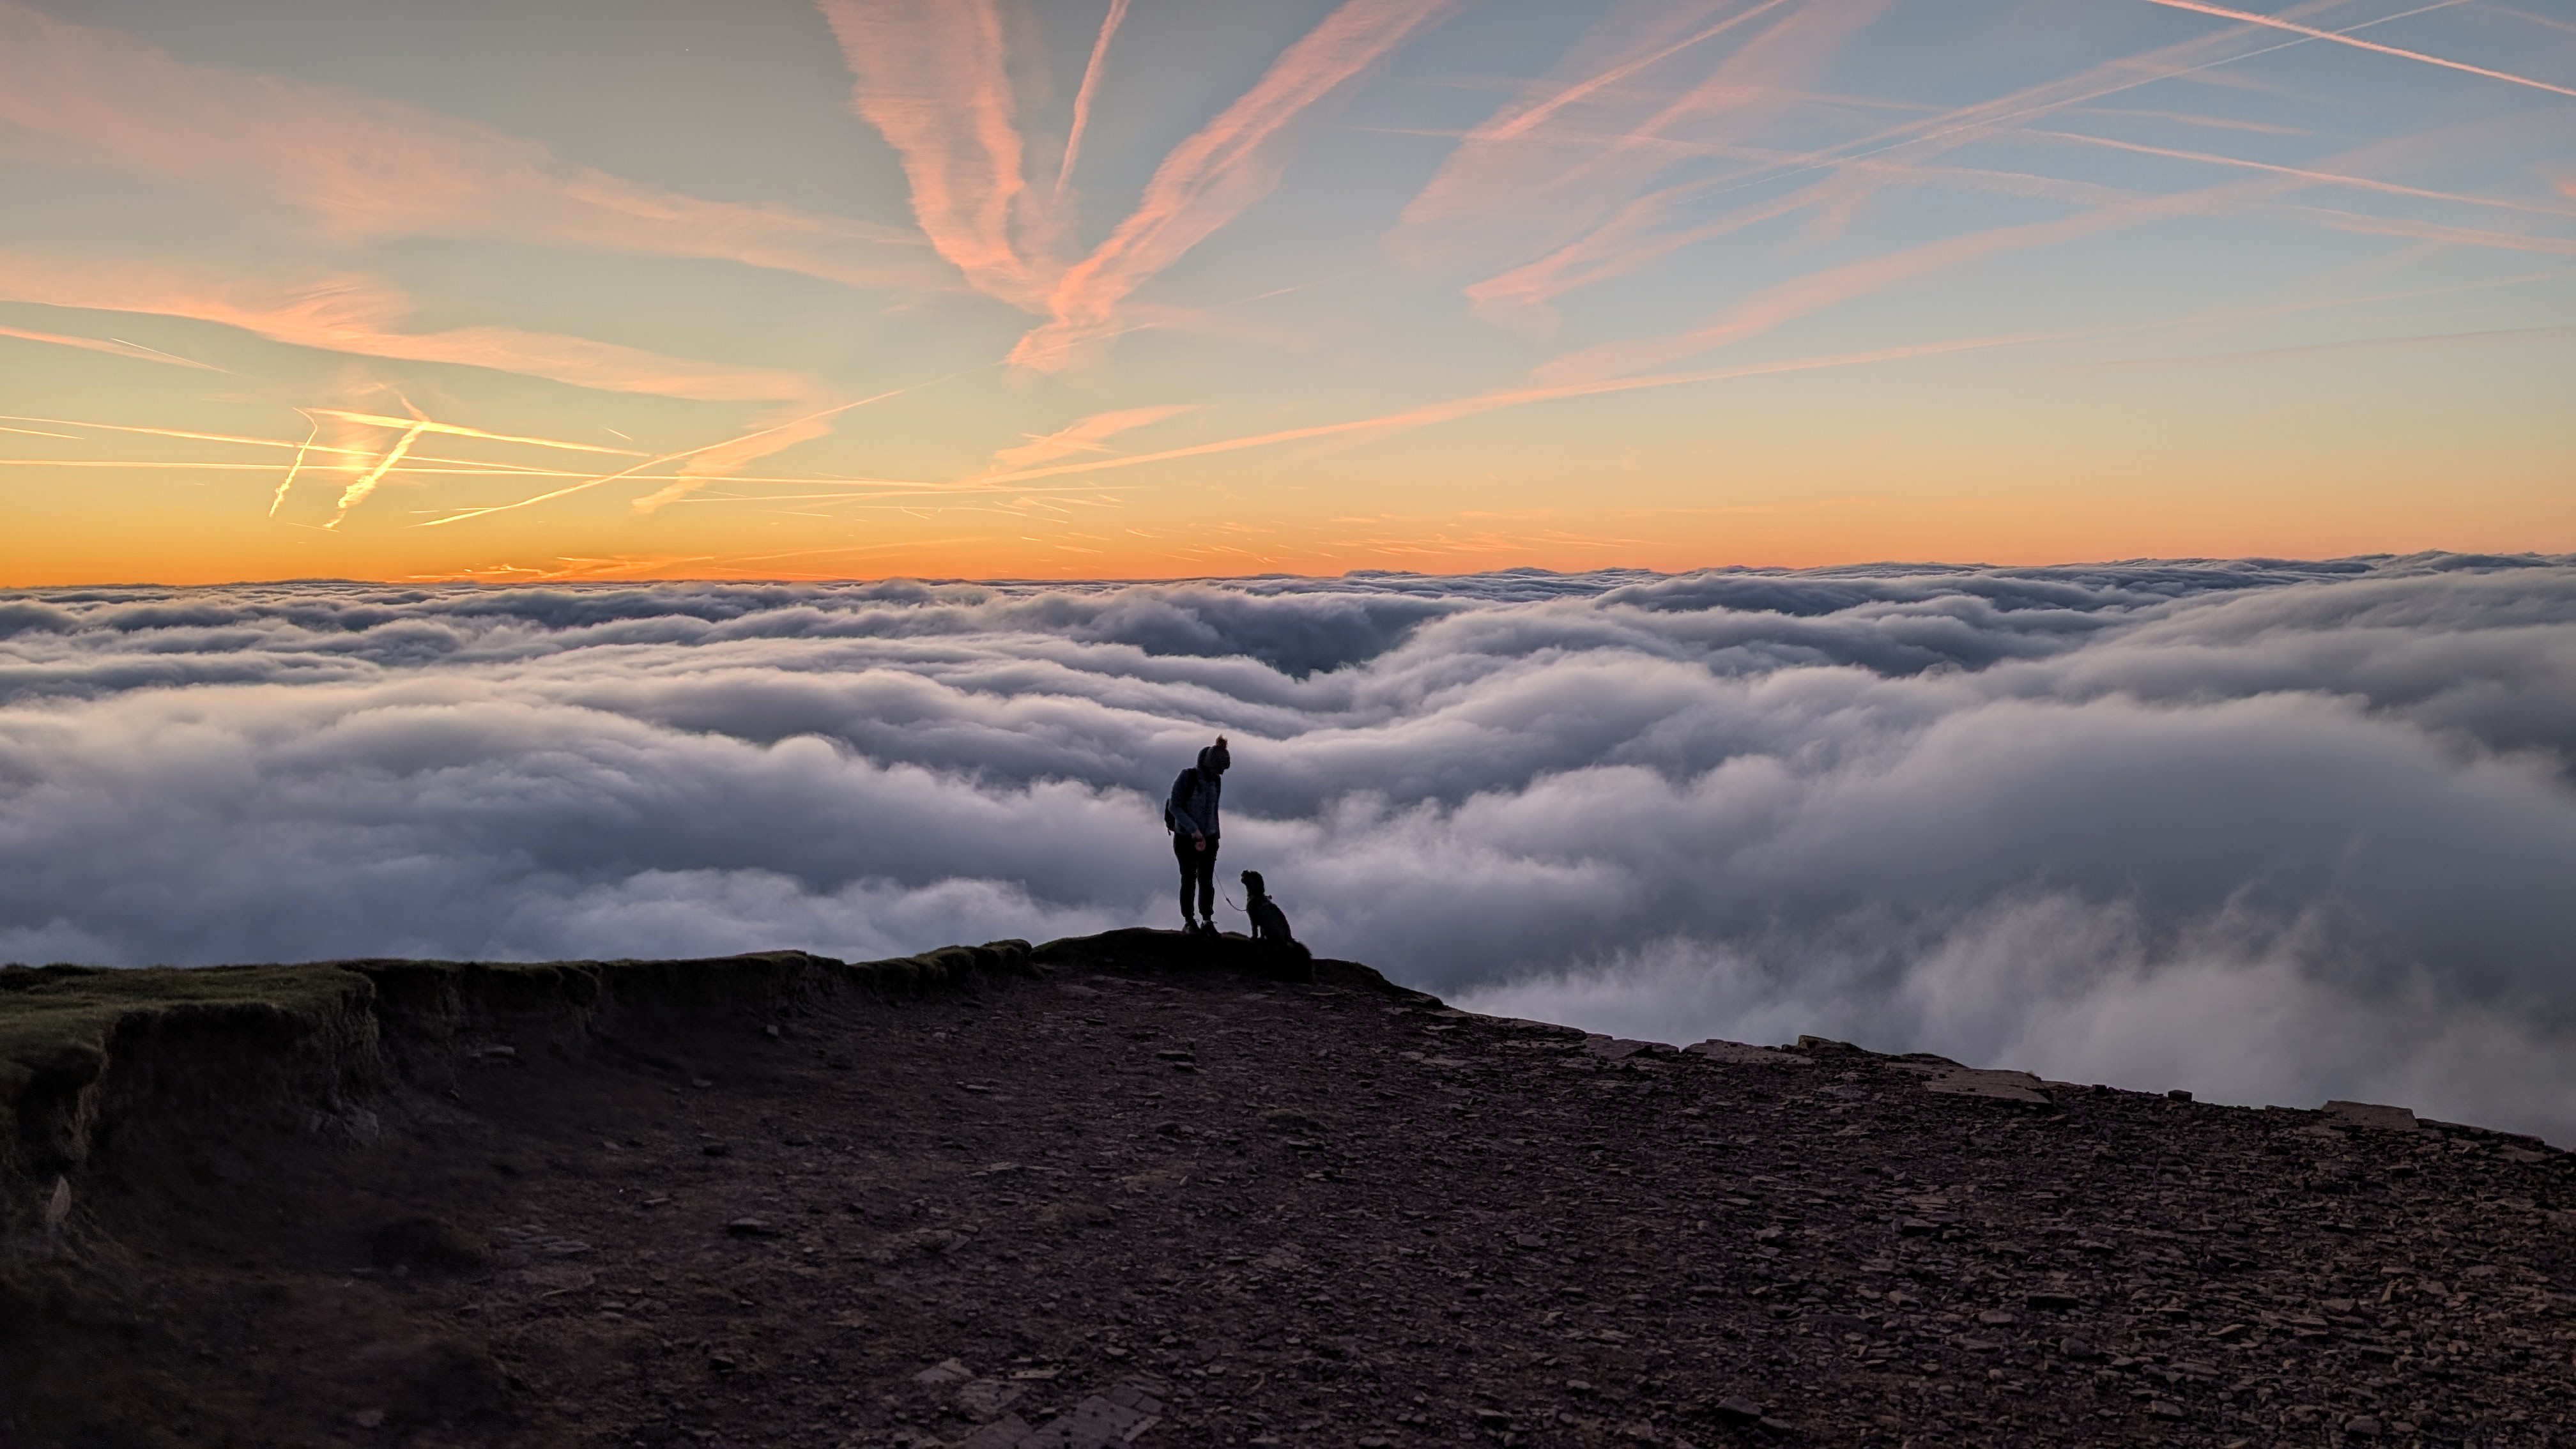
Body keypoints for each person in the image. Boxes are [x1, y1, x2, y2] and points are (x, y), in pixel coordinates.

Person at [1164, 736, 1229, 934]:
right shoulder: (1188, 777)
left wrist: (1215, 836)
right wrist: (1194, 830)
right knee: (1189, 878)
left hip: (1209, 839)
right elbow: (1175, 806)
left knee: (1207, 880)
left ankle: (1207, 921)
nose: (1221, 773)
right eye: (1219, 769)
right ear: (1211, 764)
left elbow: (1214, 810)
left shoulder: (1215, 781)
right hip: (1186, 838)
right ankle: (1189, 921)